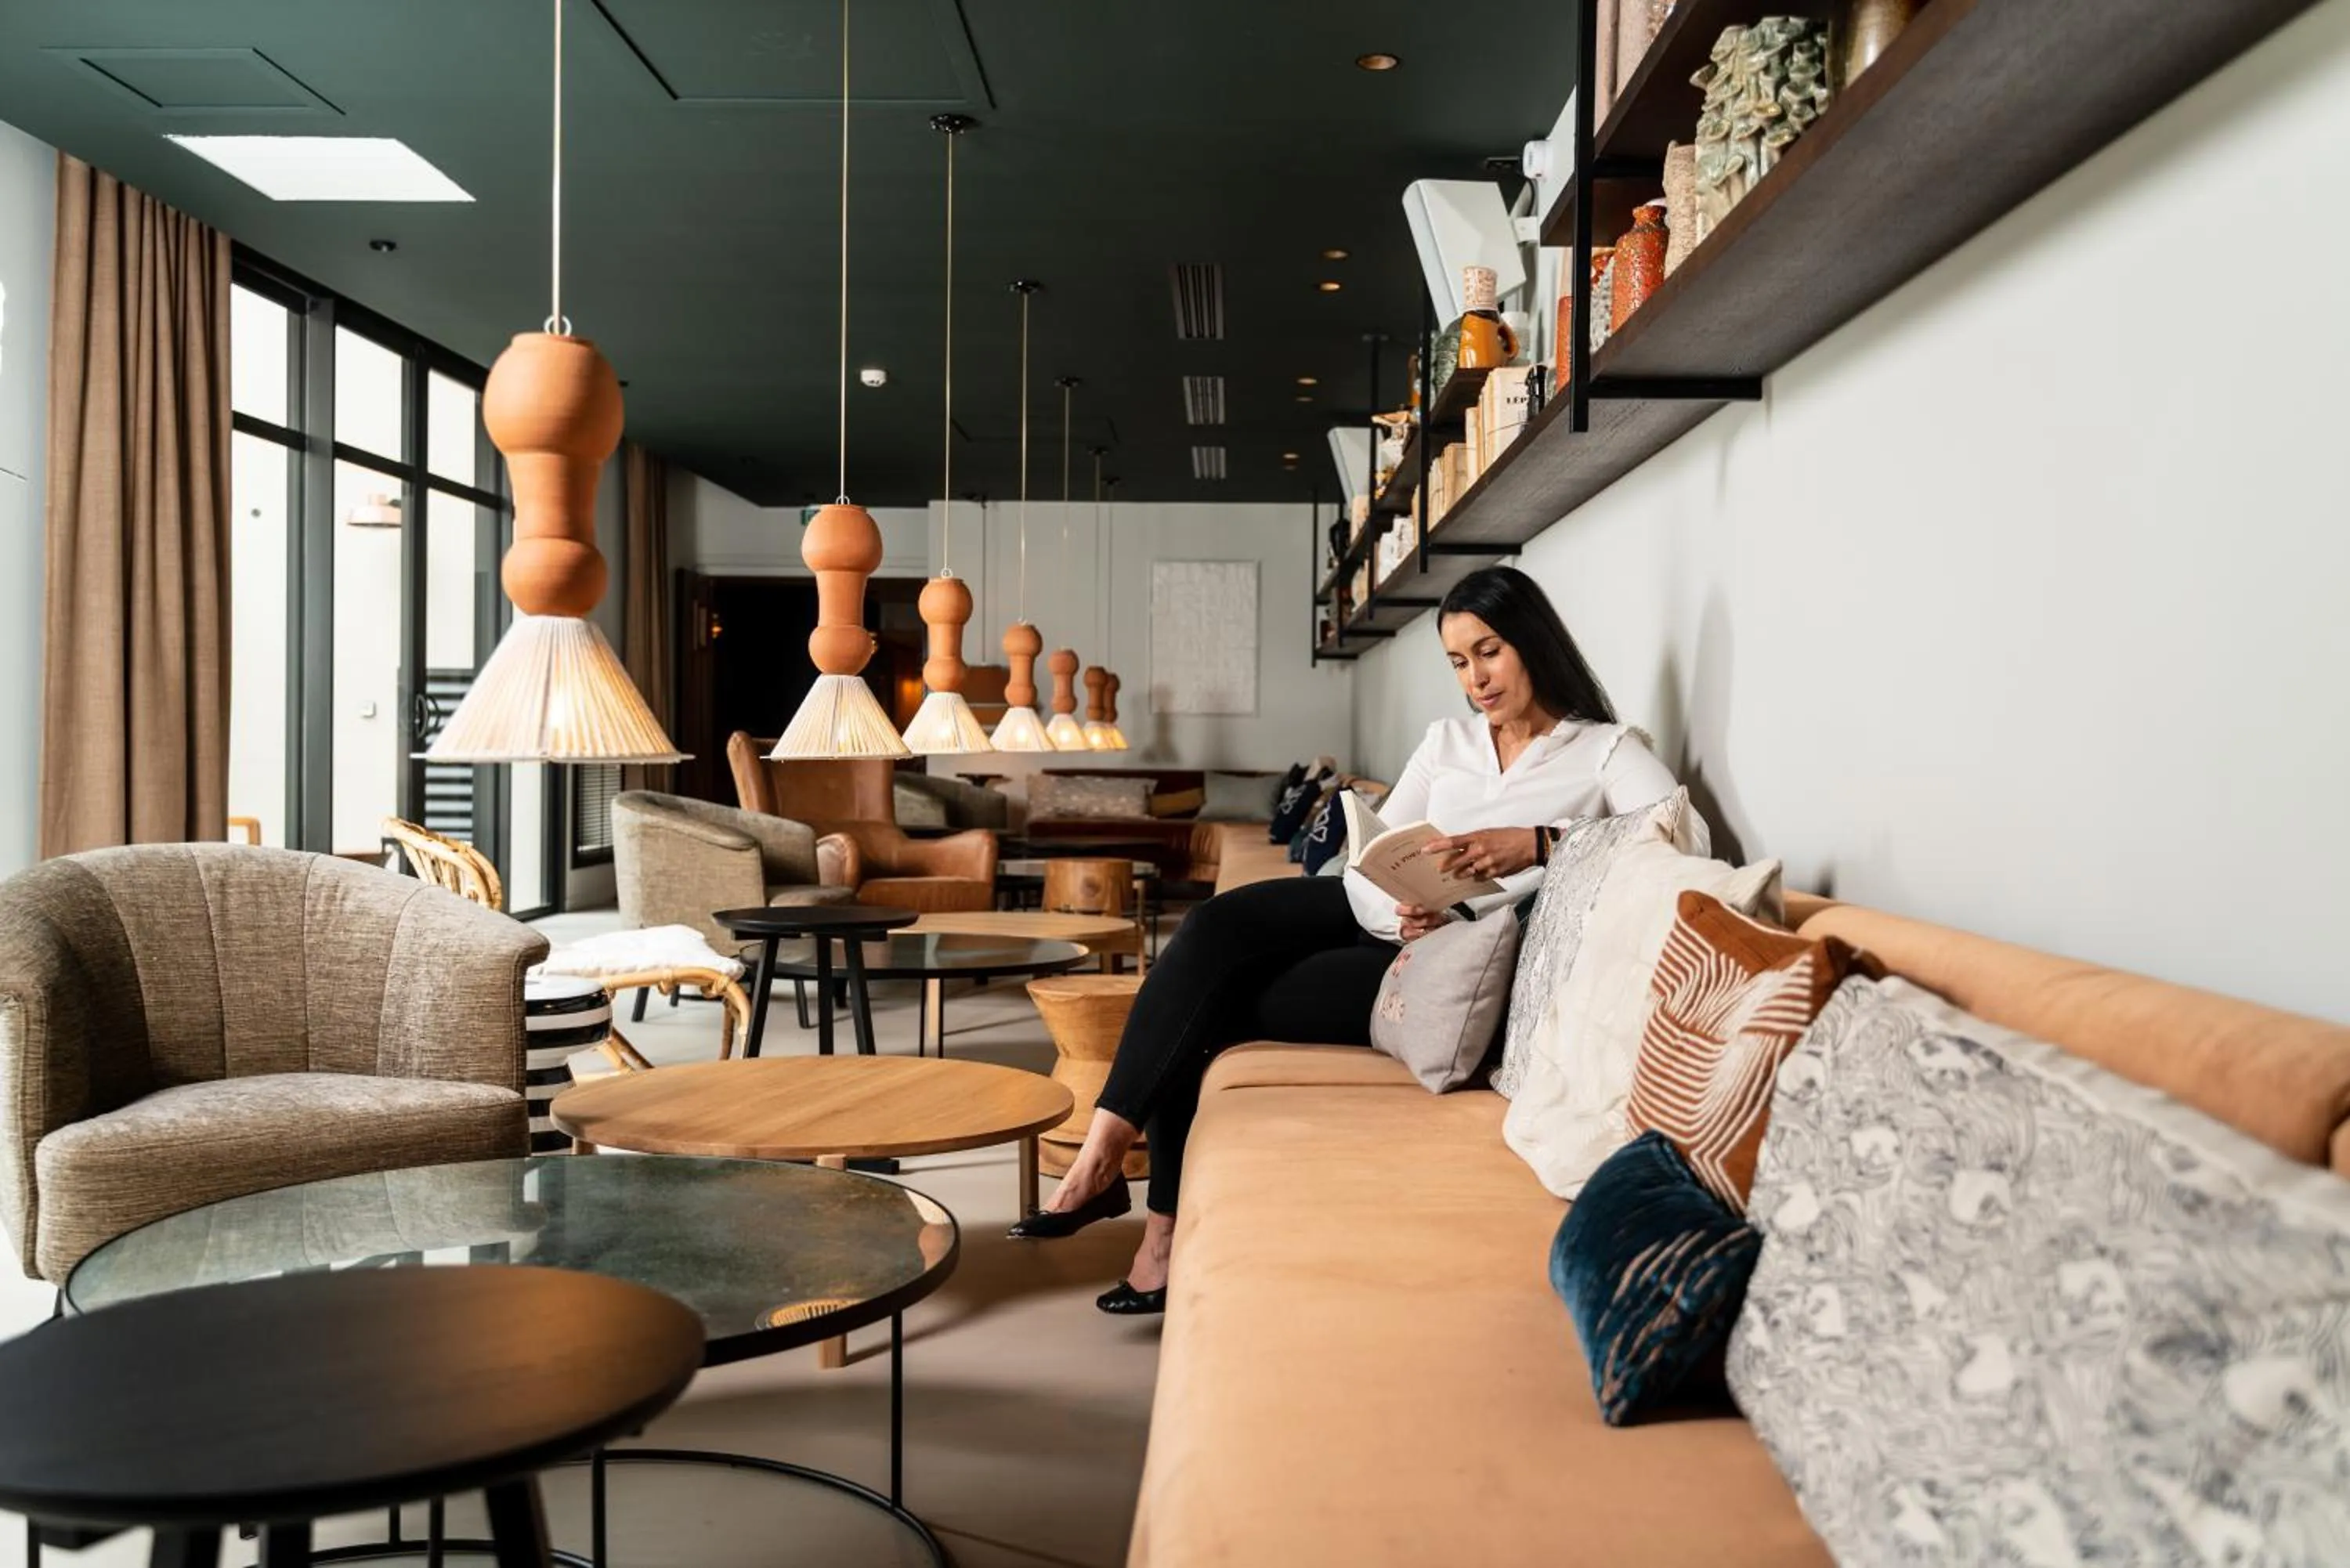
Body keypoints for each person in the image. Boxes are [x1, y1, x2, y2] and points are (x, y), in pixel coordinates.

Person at [1007, 565, 1684, 1313]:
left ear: (1534, 642)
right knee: (1210, 929)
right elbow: (1376, 854)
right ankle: (1106, 1148)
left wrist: (1542, 841)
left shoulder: (1605, 750)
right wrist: (1398, 909)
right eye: (1459, 662)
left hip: (1458, 959)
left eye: (1489, 652)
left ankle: (1155, 1235)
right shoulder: (1449, 740)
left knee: (1219, 1008)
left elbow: (1681, 837)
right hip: (1393, 921)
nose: (1476, 680)